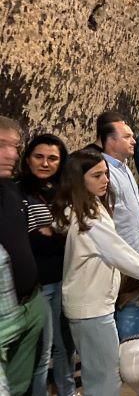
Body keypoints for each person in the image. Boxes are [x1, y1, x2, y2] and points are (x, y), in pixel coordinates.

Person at [53, 148, 139, 396]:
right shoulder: (88, 219)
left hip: (92, 303)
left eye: (106, 174)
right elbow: (122, 256)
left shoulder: (87, 206)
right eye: (97, 175)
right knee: (105, 379)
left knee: (101, 372)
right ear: (78, 180)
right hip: (90, 308)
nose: (105, 180)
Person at [17, 134, 77, 396]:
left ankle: (67, 391)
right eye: (38, 157)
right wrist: (58, 236)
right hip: (39, 285)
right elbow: (25, 242)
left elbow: (77, 234)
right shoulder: (18, 193)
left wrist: (52, 235)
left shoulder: (64, 191)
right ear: (27, 158)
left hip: (66, 278)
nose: (45, 163)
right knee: (41, 352)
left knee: (65, 345)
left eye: (52, 158)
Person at [0, 116, 47, 395]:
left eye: (15, 147)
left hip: (30, 303)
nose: (12, 155)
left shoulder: (10, 188)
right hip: (4, 316)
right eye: (1, 145)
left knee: (22, 385)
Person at [102, 120, 139, 256]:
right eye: (127, 137)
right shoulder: (105, 172)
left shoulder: (124, 167)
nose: (134, 141)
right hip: (121, 252)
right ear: (111, 141)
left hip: (135, 246)